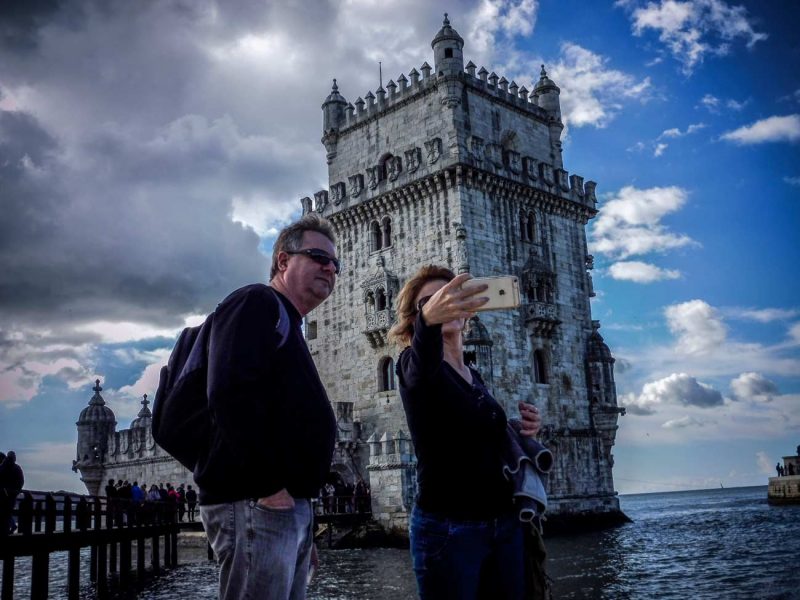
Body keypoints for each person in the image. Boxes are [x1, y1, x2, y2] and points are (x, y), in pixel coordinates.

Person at [198, 214, 338, 600]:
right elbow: (228, 393)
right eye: (318, 257)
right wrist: (270, 492)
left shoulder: (288, 325)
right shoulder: (256, 302)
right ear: (283, 261)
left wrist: (302, 526)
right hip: (257, 504)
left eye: (335, 263)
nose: (330, 268)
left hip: (281, 509)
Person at [389, 266, 542, 600]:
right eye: (430, 302)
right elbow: (422, 368)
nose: (445, 304)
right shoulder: (411, 364)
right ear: (414, 319)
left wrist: (522, 431)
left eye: (452, 296)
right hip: (449, 530)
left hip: (503, 525)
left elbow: (473, 434)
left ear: (467, 309)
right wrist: (429, 322)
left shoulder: (473, 375)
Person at [0, 451, 25, 535]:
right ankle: (6, 531)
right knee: (7, 514)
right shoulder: (17, 468)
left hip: (3, 494)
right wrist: (16, 491)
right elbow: (21, 482)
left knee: (3, 515)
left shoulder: (3, 467)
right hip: (11, 495)